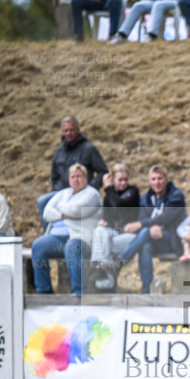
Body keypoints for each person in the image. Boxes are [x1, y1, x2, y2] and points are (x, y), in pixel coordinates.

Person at [105, 164, 185, 294]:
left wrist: (143, 225)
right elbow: (142, 217)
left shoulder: (176, 196)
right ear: (149, 181)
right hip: (152, 239)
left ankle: (120, 262)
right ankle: (146, 290)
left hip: (172, 240)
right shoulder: (145, 198)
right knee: (145, 245)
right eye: (153, 179)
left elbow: (166, 217)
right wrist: (151, 226)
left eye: (160, 178)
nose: (157, 182)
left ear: (166, 179)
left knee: (144, 231)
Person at [32, 164, 101, 294]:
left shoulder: (92, 194)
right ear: (69, 179)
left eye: (79, 176)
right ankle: (44, 291)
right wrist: (64, 214)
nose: (76, 179)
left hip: (81, 238)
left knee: (72, 247)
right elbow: (46, 212)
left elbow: (76, 211)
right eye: (72, 177)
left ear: (86, 178)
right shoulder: (63, 193)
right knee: (38, 245)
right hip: (56, 238)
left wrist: (58, 208)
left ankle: (78, 292)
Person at [36, 117, 108, 222]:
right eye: (66, 130)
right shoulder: (58, 152)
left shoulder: (89, 149)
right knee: (43, 202)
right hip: (62, 192)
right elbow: (54, 176)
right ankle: (50, 229)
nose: (69, 133)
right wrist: (56, 191)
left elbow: (103, 172)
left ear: (78, 130)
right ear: (62, 132)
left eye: (72, 130)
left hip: (82, 193)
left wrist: (90, 187)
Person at [90, 163, 140, 290]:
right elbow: (107, 219)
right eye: (120, 180)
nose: (123, 183)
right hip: (114, 235)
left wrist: (108, 188)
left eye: (126, 179)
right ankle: (104, 281)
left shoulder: (133, 191)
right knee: (99, 231)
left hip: (130, 237)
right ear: (113, 179)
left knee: (103, 246)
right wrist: (103, 222)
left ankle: (101, 272)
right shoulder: (109, 196)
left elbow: (118, 204)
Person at [108, 0, 182, 43]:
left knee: (158, 4)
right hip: (159, 0)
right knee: (138, 5)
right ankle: (122, 35)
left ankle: (152, 35)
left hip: (176, 0)